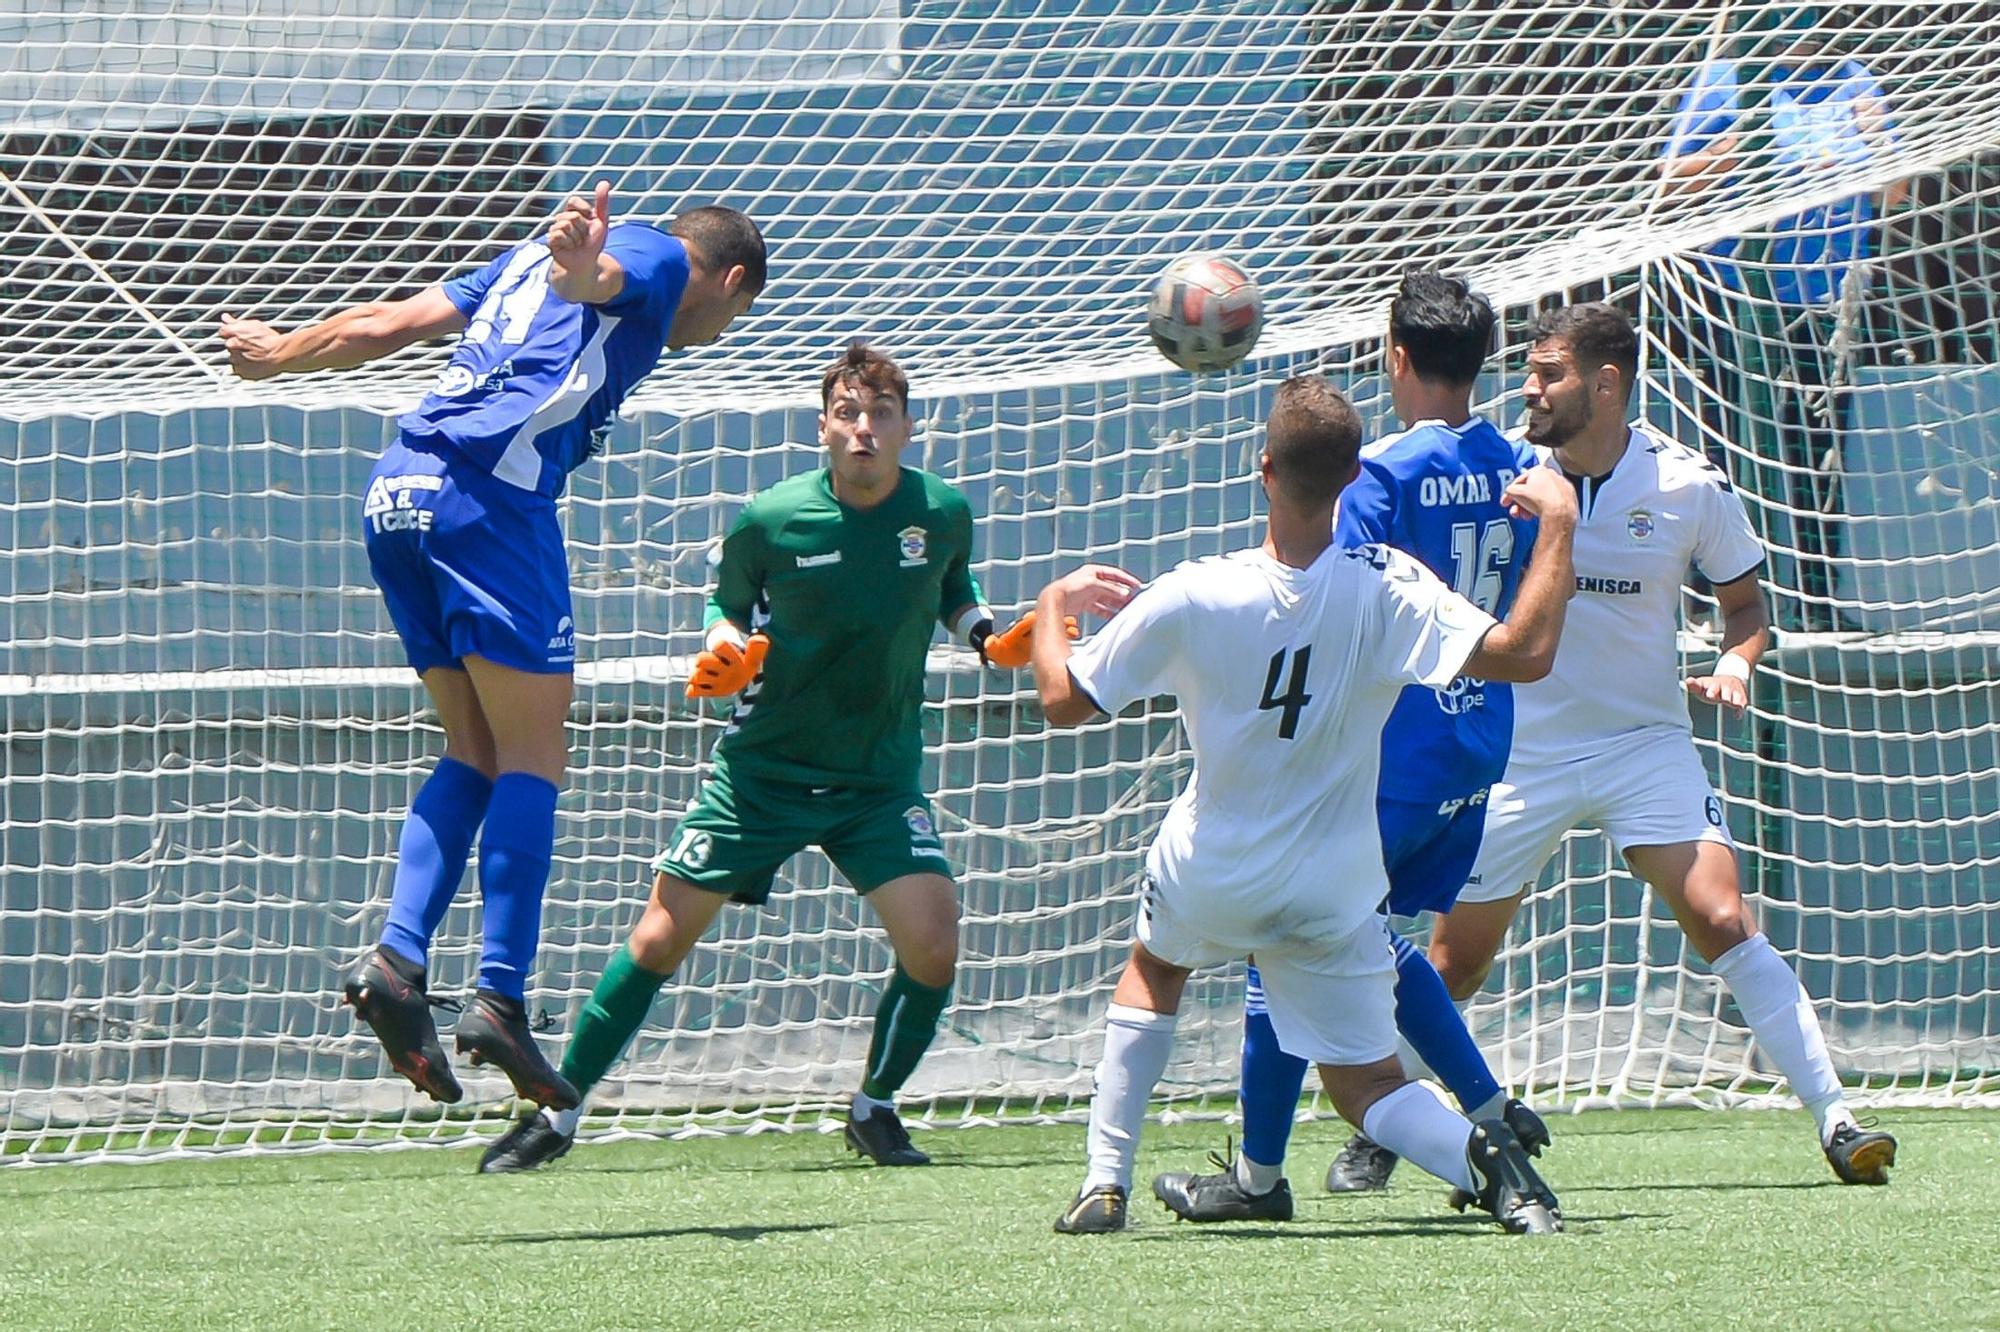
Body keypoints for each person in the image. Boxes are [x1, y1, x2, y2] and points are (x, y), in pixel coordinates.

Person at [219, 184, 765, 1107]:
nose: (714, 332)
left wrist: (278, 355)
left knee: (471, 749)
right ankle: (501, 996)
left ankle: (398, 960)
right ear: (734, 280)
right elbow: (604, 278)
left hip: (398, 494)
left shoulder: (513, 262)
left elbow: (389, 322)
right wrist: (586, 263)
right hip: (487, 502)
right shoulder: (668, 261)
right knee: (534, 758)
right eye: (736, 315)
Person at [476, 342, 1063, 1173]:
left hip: (876, 778)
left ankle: (876, 1107)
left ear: (906, 426)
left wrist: (989, 640)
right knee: (658, 941)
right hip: (763, 776)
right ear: (824, 426)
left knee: (934, 945)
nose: (865, 428)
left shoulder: (942, 513)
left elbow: (954, 594)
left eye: (881, 414)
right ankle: (557, 1113)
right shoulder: (771, 517)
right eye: (849, 413)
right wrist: (724, 648)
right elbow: (727, 605)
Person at [1032, 374, 1581, 1236]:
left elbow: (1064, 704)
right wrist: (1559, 523)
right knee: (1367, 1086)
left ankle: (1105, 1185)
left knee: (1156, 970)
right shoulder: (1387, 583)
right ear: (1353, 475)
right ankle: (1490, 1164)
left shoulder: (1196, 591)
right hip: (1333, 880)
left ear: (1264, 470)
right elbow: (1525, 652)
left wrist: (1049, 610)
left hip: (1213, 865)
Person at [1426, 302, 1898, 1185]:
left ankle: (1838, 1118)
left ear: (1606, 384)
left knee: (1722, 916)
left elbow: (1748, 608)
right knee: (1454, 961)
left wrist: (1735, 663)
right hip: (1519, 749)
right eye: (1528, 372)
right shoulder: (1502, 470)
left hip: (1644, 744)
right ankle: (1386, 1125)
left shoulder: (1689, 485)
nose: (1529, 389)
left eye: (1549, 374)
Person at [1151, 270, 1548, 1223]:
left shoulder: (1380, 474)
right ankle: (1490, 1109)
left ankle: (1255, 1181)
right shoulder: (1520, 464)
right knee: (1364, 941)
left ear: (1396, 356)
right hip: (1479, 739)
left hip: (1388, 750)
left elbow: (1332, 585)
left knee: (1286, 942)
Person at [1661, 5, 1907, 631]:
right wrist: (1734, 151)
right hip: (1737, 300)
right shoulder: (1731, 77)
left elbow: (1896, 193)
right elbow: (1667, 181)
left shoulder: (1854, 79)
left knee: (1815, 454)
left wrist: (1875, 143)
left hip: (1825, 305)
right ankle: (1710, 601)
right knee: (1725, 454)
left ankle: (1817, 606)